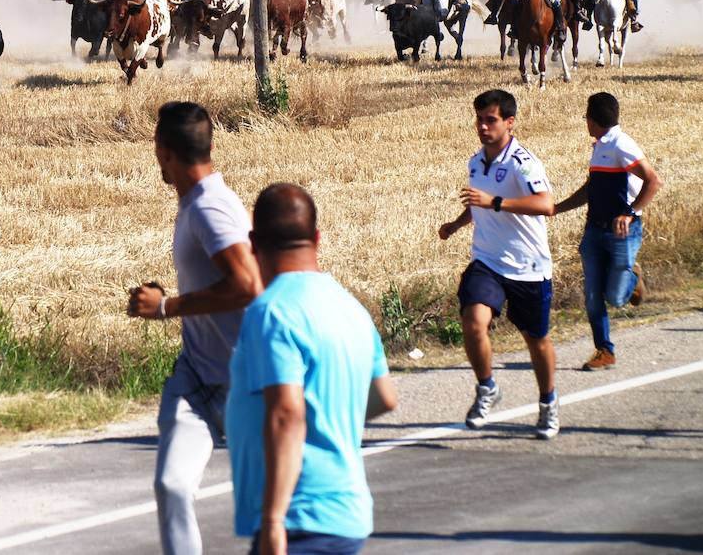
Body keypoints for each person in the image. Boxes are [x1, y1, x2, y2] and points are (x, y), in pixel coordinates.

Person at [227, 183, 398, 555]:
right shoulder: (351, 308)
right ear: (317, 238)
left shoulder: (271, 312)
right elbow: (384, 396)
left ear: (253, 243)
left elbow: (287, 413)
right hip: (347, 513)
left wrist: (273, 521)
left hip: (300, 517)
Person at [126, 102, 261, 555]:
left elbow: (247, 285)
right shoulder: (198, 202)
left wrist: (167, 305)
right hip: (197, 379)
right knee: (173, 486)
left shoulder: (209, 208)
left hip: (245, 387)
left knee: (273, 520)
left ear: (162, 152)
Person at [438, 89, 559, 440]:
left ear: (509, 122)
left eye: (490, 120)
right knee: (473, 321)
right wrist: (457, 224)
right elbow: (479, 203)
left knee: (536, 340)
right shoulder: (476, 162)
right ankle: (487, 387)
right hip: (487, 261)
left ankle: (548, 403)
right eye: (478, 119)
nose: (482, 126)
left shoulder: (525, 163)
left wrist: (496, 202)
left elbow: (546, 205)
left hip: (528, 265)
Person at [554, 92, 662, 371]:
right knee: (592, 295)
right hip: (594, 231)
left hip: (621, 234)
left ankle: (633, 276)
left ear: (591, 120)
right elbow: (592, 189)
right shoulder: (600, 146)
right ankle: (605, 350)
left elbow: (653, 181)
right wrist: (558, 208)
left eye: (586, 118)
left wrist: (631, 213)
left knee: (614, 297)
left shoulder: (620, 145)